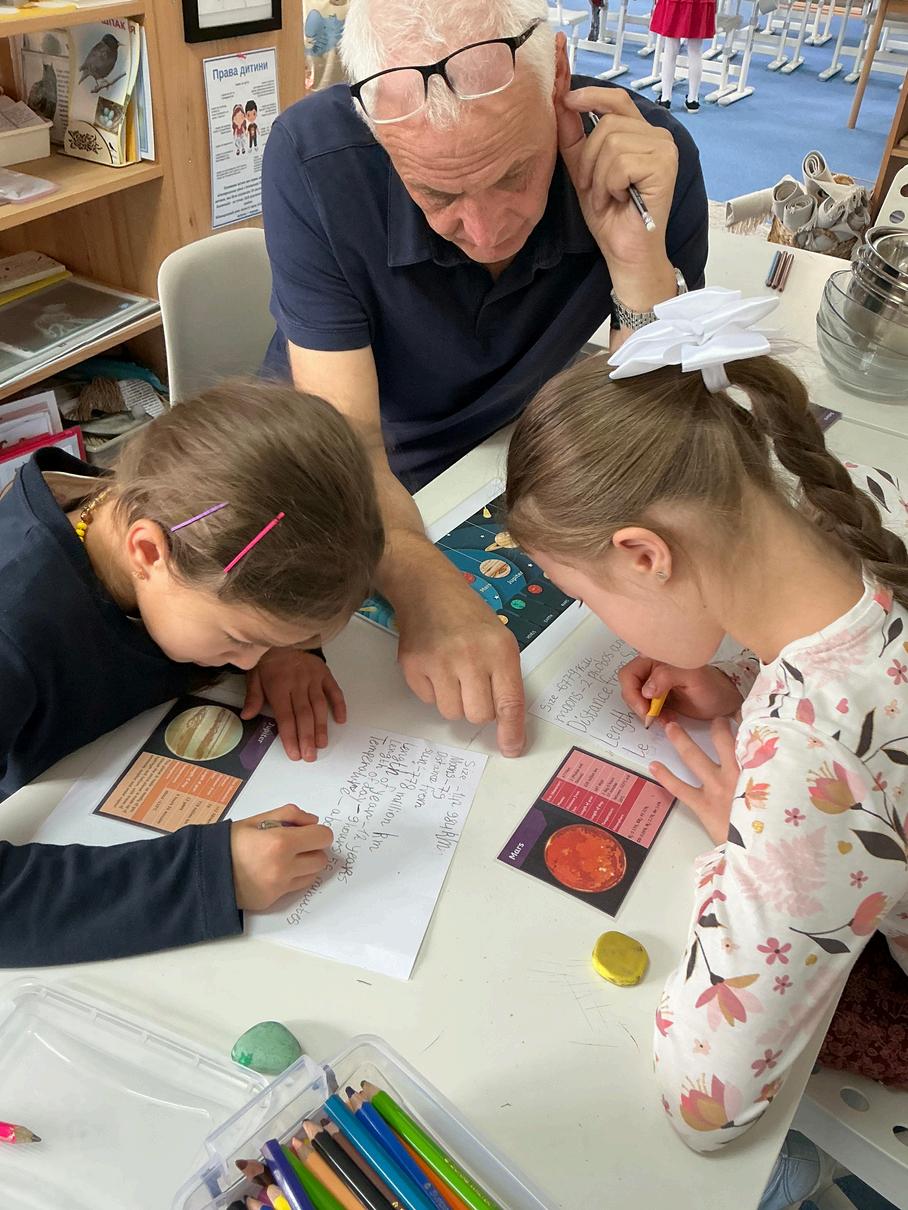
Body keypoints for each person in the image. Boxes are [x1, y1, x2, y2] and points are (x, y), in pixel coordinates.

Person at [505, 289, 908, 1165]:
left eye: (588, 598)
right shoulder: (858, 497)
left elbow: (708, 1106)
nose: (604, 622)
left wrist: (745, 845)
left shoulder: (810, 762)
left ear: (644, 554)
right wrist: (741, 680)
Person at [261, 0, 708, 763]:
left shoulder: (644, 158)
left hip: (499, 459)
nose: (487, 229)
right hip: (334, 478)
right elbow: (349, 446)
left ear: (557, 75)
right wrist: (423, 583)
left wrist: (638, 264)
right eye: (437, 195)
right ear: (377, 135)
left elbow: (651, 436)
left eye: (514, 174)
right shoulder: (313, 159)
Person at [0, 382, 384, 966]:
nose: (250, 662)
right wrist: (212, 876)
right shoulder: (14, 628)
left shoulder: (178, 513)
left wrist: (289, 650)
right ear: (148, 554)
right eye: (240, 639)